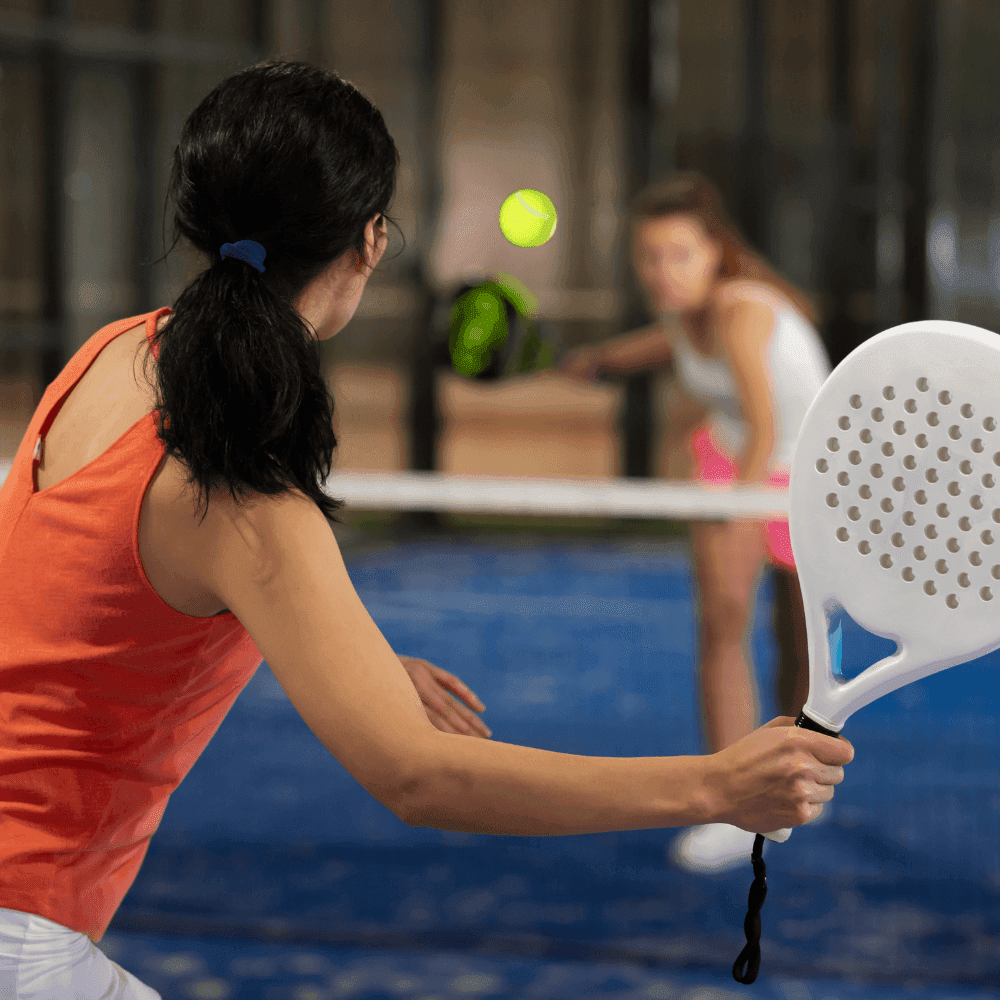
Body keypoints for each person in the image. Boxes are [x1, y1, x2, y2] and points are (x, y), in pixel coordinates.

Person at [0, 62, 852, 997]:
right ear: (369, 242)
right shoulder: (239, 484)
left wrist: (353, 657)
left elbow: (101, 596)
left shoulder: (114, 350)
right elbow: (418, 778)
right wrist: (715, 787)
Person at [560, 171, 833, 873]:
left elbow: (769, 421)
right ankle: (733, 805)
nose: (662, 271)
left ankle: (795, 776)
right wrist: (594, 362)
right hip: (731, 458)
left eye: (678, 255)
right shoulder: (682, 316)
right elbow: (652, 350)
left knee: (801, 647)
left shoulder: (745, 311)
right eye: (649, 256)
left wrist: (743, 508)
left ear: (715, 252)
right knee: (722, 622)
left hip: (805, 475)